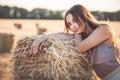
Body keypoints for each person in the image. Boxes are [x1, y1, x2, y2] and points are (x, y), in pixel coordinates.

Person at [31, 4, 120, 80]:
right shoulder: (83, 36)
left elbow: (80, 48)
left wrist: (76, 34)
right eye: (69, 24)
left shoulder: (104, 29)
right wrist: (44, 37)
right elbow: (64, 35)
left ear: (84, 16)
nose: (72, 26)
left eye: (74, 21)